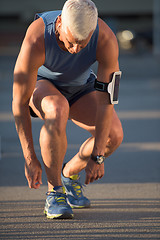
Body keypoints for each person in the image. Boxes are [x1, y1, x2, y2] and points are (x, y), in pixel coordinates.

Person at [12, 0, 123, 219]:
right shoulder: (37, 36)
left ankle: (68, 174)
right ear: (60, 23)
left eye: (83, 44)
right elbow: (19, 102)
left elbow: (106, 100)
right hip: (43, 85)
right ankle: (54, 192)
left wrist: (98, 154)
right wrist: (29, 157)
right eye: (71, 42)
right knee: (57, 108)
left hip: (81, 86)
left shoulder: (106, 38)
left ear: (93, 32)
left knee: (114, 135)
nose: (75, 50)